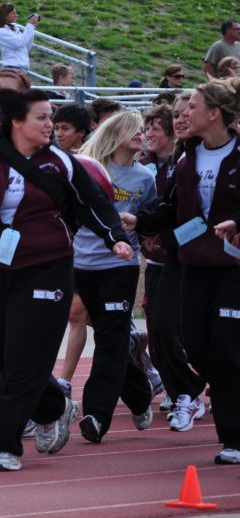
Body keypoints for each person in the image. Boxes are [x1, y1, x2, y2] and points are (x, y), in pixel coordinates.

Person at [0, 88, 131, 471]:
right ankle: (55, 405)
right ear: (17, 122)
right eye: (42, 118)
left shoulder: (61, 162)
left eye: (52, 118)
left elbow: (94, 203)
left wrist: (116, 238)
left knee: (26, 356)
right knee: (2, 358)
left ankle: (5, 444)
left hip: (47, 266)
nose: (51, 126)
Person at [124, 78, 240, 464]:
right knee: (196, 345)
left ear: (215, 113)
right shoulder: (187, 159)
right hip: (193, 265)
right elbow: (175, 211)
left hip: (232, 268)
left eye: (193, 106)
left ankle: (233, 439)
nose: (185, 114)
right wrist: (137, 219)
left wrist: (236, 223)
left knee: (226, 349)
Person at [75, 111, 157, 444]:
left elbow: (148, 221)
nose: (142, 134)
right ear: (116, 132)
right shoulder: (88, 167)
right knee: (110, 337)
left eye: (143, 131)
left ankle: (95, 415)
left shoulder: (145, 178)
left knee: (110, 338)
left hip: (121, 267)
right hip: (83, 265)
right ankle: (139, 393)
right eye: (135, 129)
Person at [137, 97, 208, 430]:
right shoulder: (177, 162)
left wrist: (166, 237)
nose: (182, 119)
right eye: (177, 115)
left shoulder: (217, 157)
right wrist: (141, 225)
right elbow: (170, 207)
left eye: (187, 113)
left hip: (217, 259)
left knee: (211, 337)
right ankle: (187, 393)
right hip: (176, 258)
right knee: (163, 329)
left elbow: (208, 216)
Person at [0, 3, 37, 73]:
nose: (16, 15)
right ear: (5, 16)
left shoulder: (16, 29)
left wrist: (32, 27)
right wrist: (30, 25)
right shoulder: (1, 32)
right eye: (13, 13)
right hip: (12, 69)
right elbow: (19, 43)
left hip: (22, 69)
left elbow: (26, 47)